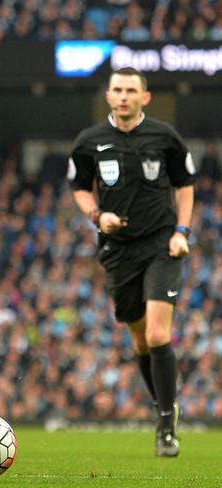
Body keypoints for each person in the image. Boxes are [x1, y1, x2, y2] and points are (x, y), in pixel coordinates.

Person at [68, 67, 195, 457]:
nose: (123, 96)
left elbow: (185, 186)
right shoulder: (90, 142)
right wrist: (96, 216)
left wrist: (181, 232)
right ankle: (164, 407)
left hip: (160, 245)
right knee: (140, 339)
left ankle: (165, 426)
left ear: (145, 97)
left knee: (158, 335)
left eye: (131, 90)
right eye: (117, 90)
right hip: (118, 251)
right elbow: (78, 188)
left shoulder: (164, 136)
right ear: (108, 96)